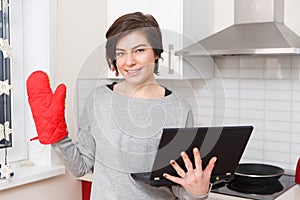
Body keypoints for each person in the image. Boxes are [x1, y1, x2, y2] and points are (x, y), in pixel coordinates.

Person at [30, 12, 217, 199]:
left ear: (156, 52)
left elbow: (177, 184)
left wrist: (197, 193)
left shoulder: (180, 109)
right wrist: (57, 137)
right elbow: (81, 167)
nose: (129, 62)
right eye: (121, 53)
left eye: (139, 50)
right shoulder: (98, 100)